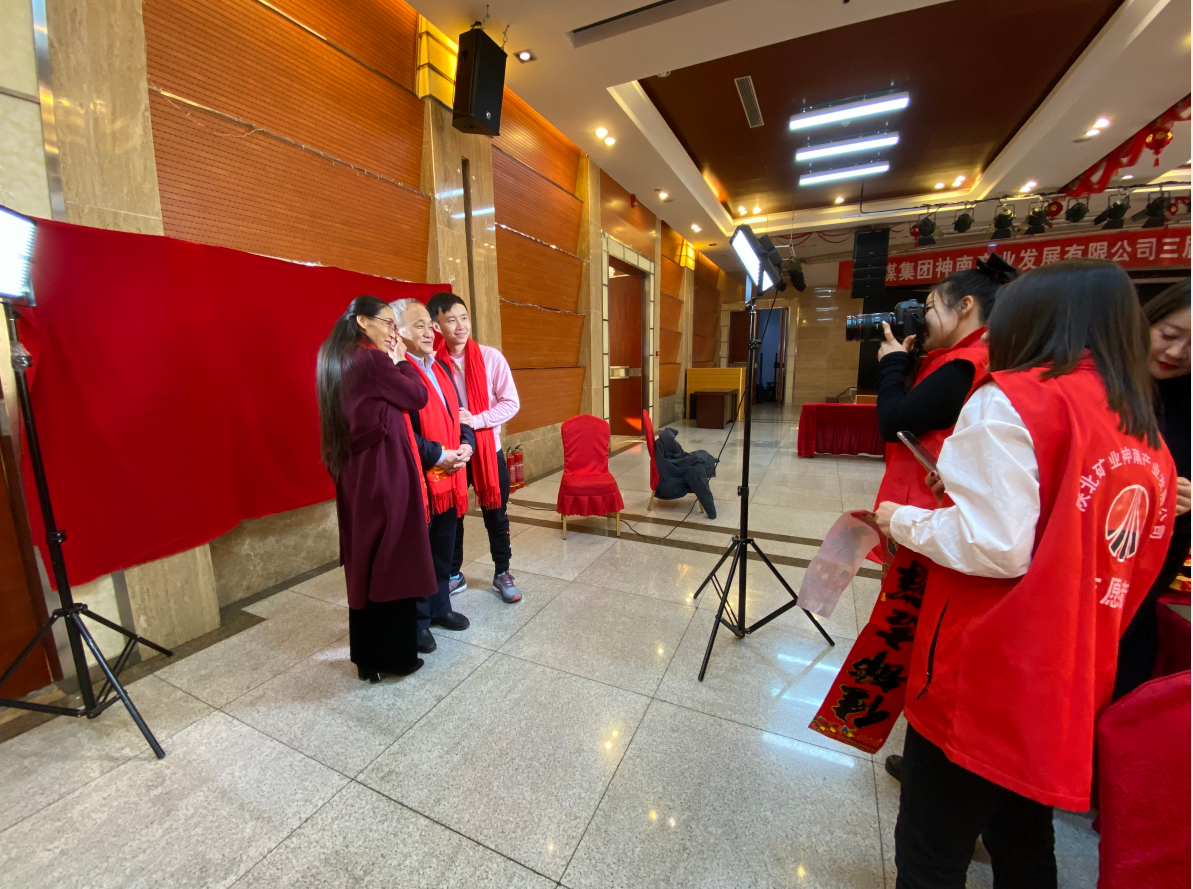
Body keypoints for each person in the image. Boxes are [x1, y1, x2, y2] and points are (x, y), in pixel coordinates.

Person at [874, 260, 1176, 889]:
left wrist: (901, 519)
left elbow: (994, 546)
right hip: (1070, 670)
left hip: (988, 666)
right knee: (1023, 836)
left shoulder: (1016, 397)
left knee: (931, 848)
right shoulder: (1138, 423)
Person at [872, 256, 1018, 779]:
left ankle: (931, 757)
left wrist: (892, 363)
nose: (923, 316)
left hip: (930, 519)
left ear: (966, 306)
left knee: (920, 629)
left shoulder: (968, 363)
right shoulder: (966, 358)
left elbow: (895, 420)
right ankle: (926, 751)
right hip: (931, 507)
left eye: (930, 306)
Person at [317, 295, 434, 682]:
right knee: (394, 557)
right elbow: (417, 397)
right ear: (363, 321)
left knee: (365, 558)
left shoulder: (334, 357)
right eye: (388, 323)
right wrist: (401, 360)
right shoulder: (371, 360)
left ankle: (366, 656)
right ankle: (395, 657)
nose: (393, 332)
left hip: (356, 474)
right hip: (384, 472)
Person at [1113, 279, 1191, 698]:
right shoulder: (1101, 384)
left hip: (1150, 568)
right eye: (1169, 335)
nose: (1177, 353)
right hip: (1089, 555)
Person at [427, 292, 524, 604]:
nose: (460, 326)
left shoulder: (490, 357)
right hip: (451, 453)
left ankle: (502, 573)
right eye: (451, 320)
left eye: (464, 318)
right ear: (436, 326)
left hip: (487, 451)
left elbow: (511, 403)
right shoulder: (432, 364)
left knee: (496, 513)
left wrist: (477, 419)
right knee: (451, 515)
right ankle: (453, 575)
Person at [391, 298, 472, 654]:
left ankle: (441, 607)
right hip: (422, 478)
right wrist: (440, 455)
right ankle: (419, 621)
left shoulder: (440, 367)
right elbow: (405, 433)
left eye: (429, 325)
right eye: (418, 325)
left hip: (451, 475)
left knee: (443, 546)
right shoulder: (398, 374)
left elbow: (459, 413)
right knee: (420, 555)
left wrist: (466, 445)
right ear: (398, 332)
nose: (429, 332)